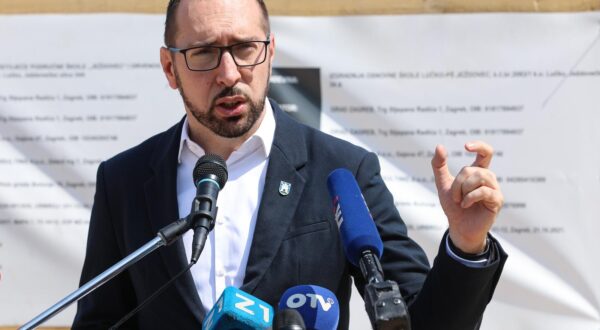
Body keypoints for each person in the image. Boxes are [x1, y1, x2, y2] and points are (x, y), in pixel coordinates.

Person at [73, 0, 507, 329]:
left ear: (271, 52)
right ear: (170, 68)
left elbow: (418, 321)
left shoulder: (341, 171)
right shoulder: (125, 180)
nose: (228, 74)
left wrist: (466, 245)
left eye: (245, 48)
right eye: (204, 53)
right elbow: (100, 321)